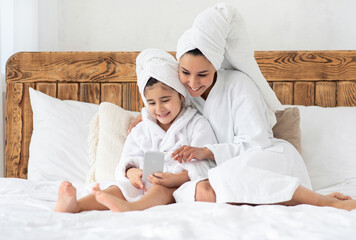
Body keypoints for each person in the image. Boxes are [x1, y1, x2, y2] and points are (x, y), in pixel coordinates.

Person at [130, 4, 356, 210]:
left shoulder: (239, 85)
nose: (193, 82)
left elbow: (256, 141)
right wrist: (148, 118)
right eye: (185, 72)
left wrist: (207, 151)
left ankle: (325, 201)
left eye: (203, 74)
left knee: (222, 179)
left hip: (263, 157)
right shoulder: (184, 92)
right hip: (219, 169)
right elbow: (171, 111)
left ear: (216, 67)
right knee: (203, 189)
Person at [54, 49, 216, 213]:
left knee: (161, 188)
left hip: (179, 184)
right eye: (151, 103)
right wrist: (131, 172)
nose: (159, 108)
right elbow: (128, 158)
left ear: (181, 96)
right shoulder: (142, 128)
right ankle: (76, 204)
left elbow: (207, 164)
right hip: (144, 183)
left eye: (165, 100)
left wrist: (175, 178)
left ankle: (131, 207)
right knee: (119, 188)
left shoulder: (197, 124)